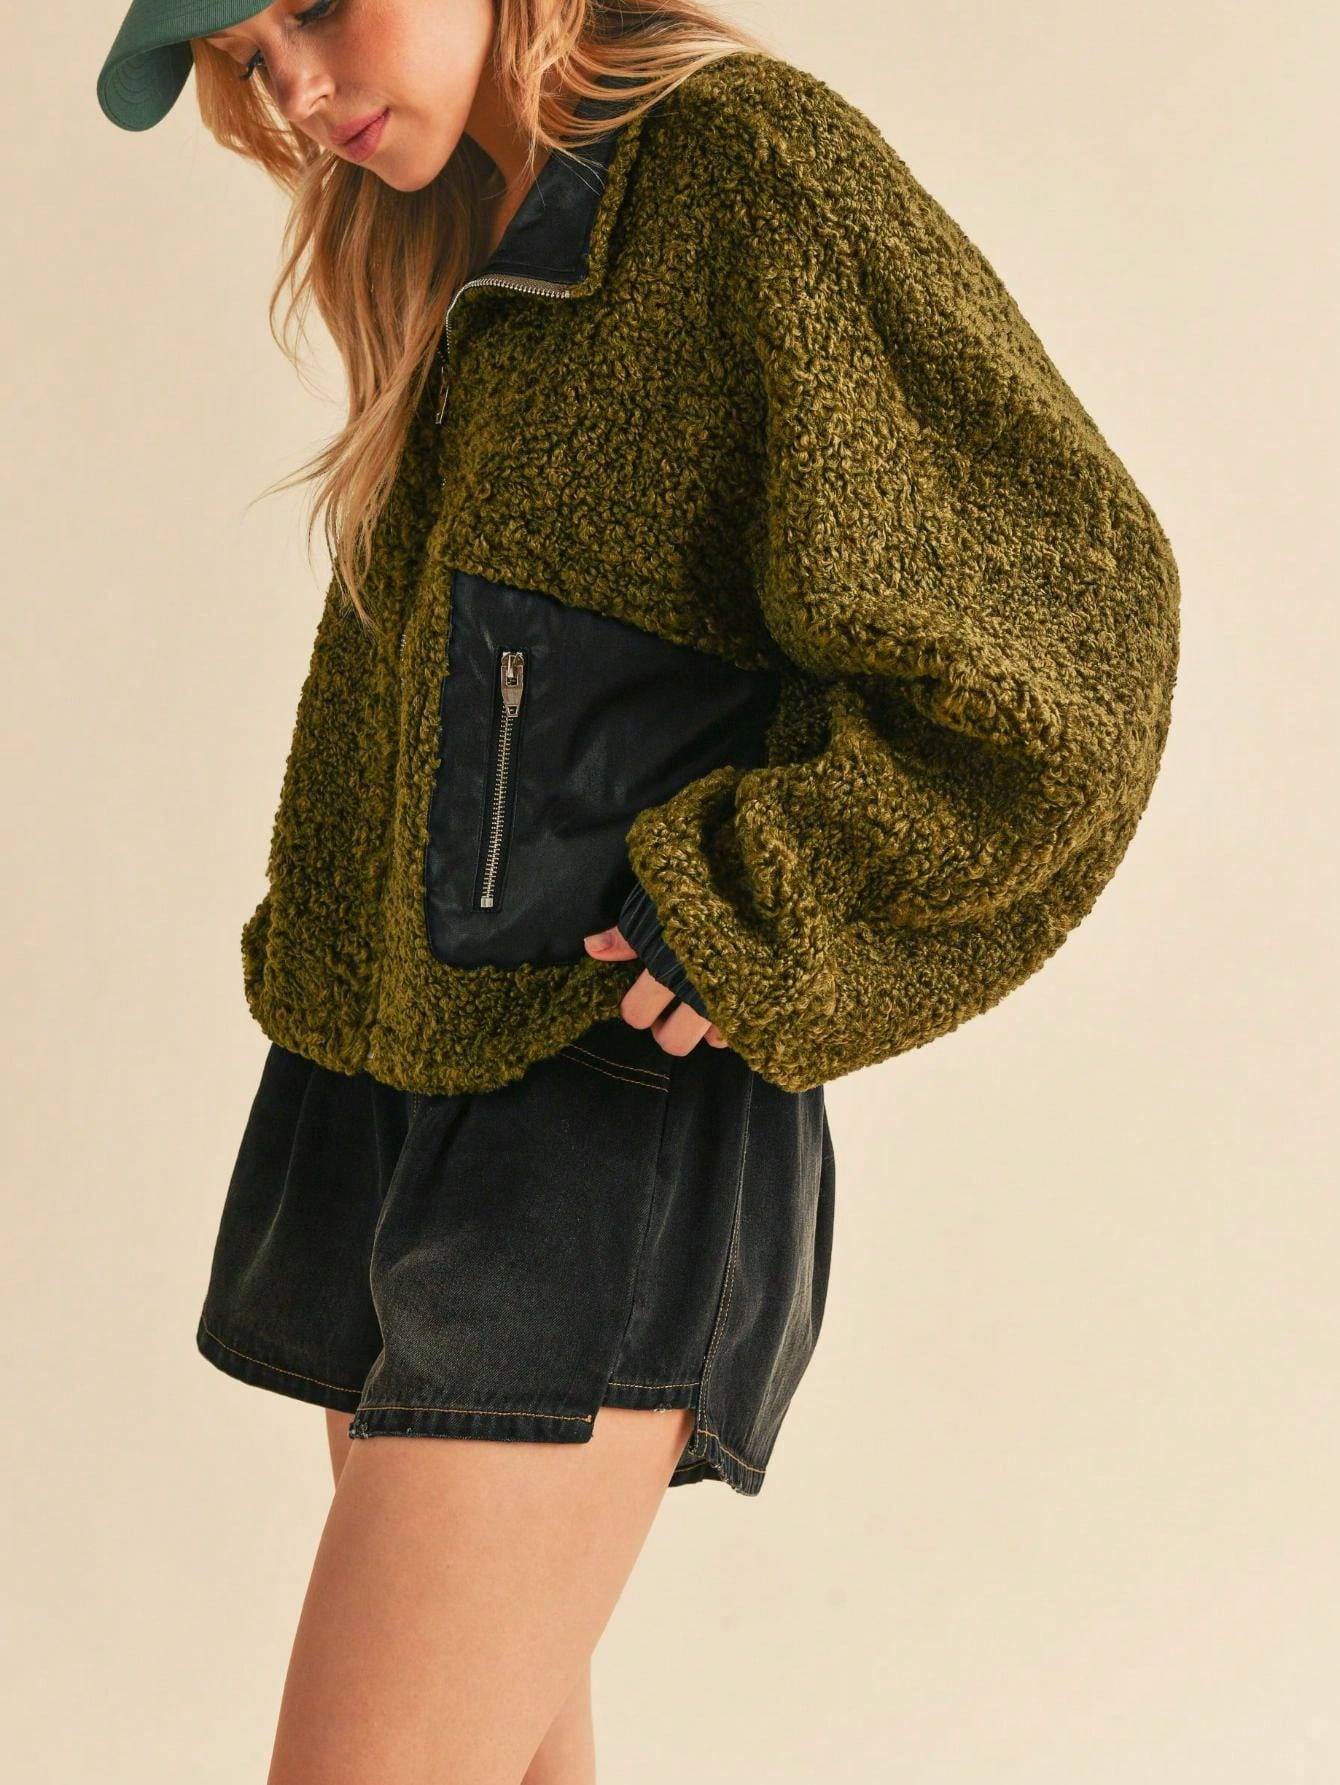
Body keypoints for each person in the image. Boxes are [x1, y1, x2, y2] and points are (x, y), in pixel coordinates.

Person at [95, 2, 1181, 1779]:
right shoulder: (463, 234)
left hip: (594, 1124)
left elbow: (1077, 628)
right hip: (395, 1092)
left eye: (315, 6)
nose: (292, 86)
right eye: (243, 52)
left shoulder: (740, 170)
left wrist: (766, 900)